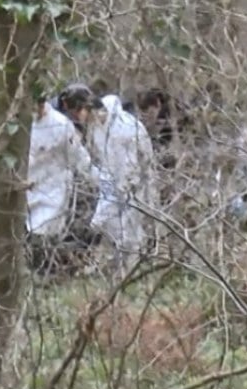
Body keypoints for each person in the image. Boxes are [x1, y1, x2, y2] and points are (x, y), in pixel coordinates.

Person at [62, 85, 156, 269]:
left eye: (75, 112)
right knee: (105, 225)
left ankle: (133, 272)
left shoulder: (124, 128)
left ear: (84, 107)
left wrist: (119, 197)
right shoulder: (97, 128)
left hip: (135, 187)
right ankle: (119, 267)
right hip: (114, 186)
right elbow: (106, 166)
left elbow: (133, 170)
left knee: (131, 237)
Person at [26, 94, 99, 276]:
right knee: (28, 233)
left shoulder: (61, 125)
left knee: (43, 231)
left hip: (54, 188)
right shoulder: (23, 123)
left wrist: (99, 180)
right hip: (28, 186)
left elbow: (79, 156)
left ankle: (45, 274)